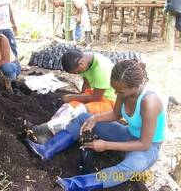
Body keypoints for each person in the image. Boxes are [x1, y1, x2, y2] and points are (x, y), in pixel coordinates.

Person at [25, 60, 166, 190]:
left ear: (134, 87)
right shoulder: (124, 91)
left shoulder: (150, 102)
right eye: (115, 89)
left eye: (120, 91)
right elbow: (116, 114)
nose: (116, 93)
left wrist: (106, 145)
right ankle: (46, 150)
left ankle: (72, 185)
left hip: (148, 146)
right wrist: (95, 118)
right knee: (84, 118)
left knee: (127, 170)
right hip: (129, 134)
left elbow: (144, 144)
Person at [30, 50, 116, 144]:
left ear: (81, 63)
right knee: (68, 107)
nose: (77, 74)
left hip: (109, 102)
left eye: (77, 72)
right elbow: (86, 85)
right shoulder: (86, 62)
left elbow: (96, 98)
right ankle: (47, 129)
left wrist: (72, 97)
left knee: (78, 111)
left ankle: (46, 132)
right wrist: (78, 98)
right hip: (94, 94)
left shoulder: (101, 69)